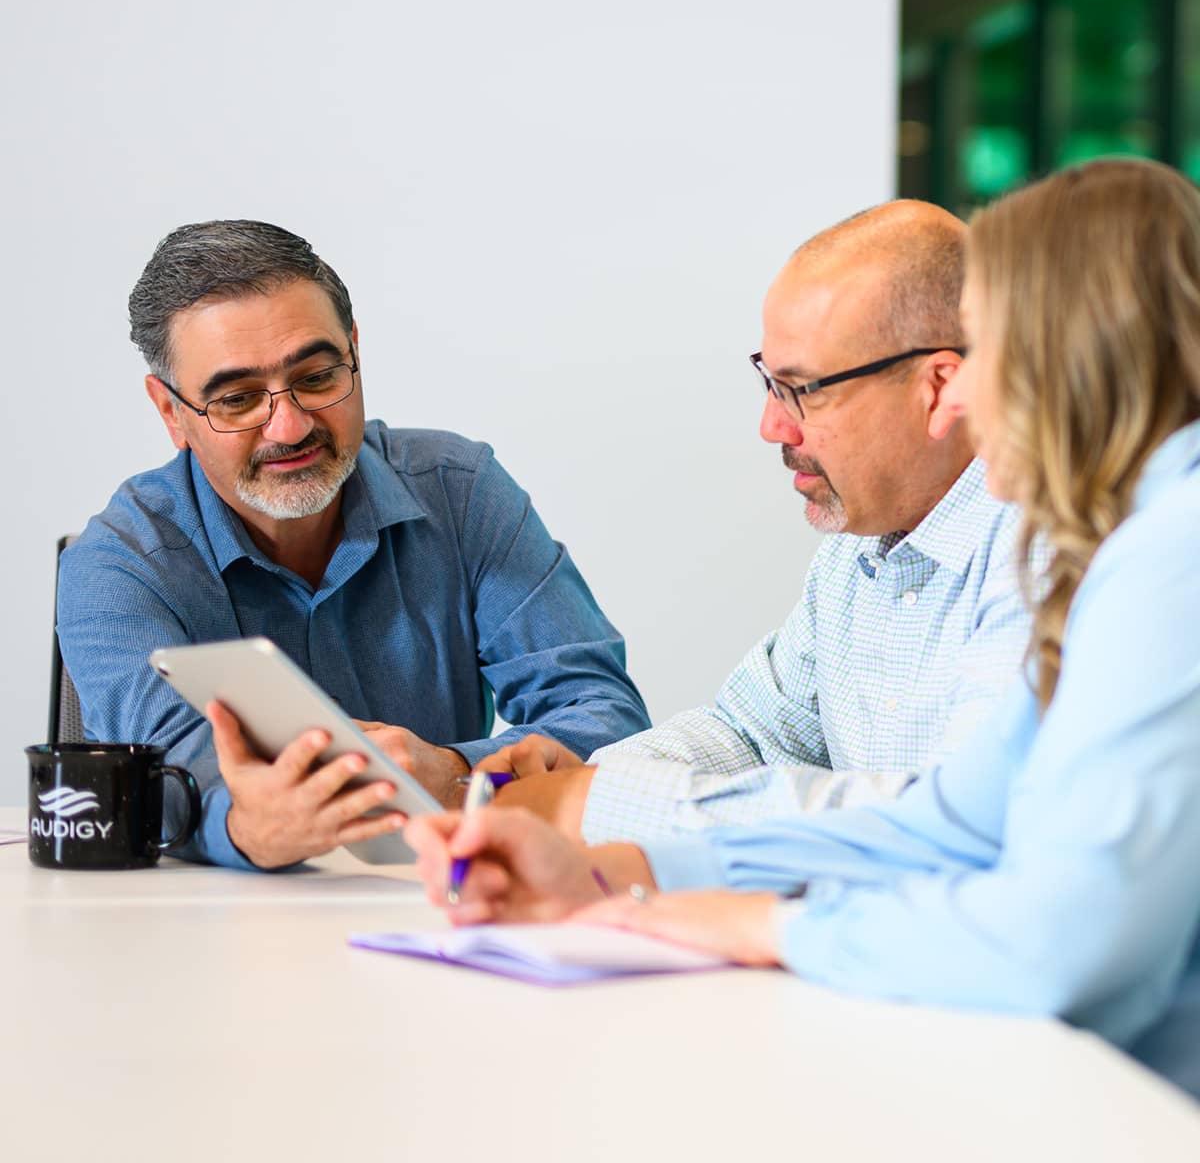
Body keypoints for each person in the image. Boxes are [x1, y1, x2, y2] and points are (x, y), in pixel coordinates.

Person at [408, 158, 1200, 1100]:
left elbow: (1055, 939)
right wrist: (624, 869)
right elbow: (950, 822)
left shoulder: (1166, 552)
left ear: (1068, 356)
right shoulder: (1126, 544)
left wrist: (758, 925)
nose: (958, 405)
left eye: (978, 356)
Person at [57, 220, 650, 870]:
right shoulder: (117, 564)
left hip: (442, 905)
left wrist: (453, 771)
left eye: (315, 376)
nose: (289, 426)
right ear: (171, 412)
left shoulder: (461, 490)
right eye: (238, 399)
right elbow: (165, 785)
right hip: (217, 928)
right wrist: (250, 827)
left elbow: (605, 714)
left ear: (355, 351)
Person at [487, 201, 1030, 842]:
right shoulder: (857, 550)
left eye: (804, 389)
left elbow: (944, 822)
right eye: (770, 383)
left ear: (938, 386)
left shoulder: (1045, 551)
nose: (773, 425)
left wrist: (601, 807)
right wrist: (591, 779)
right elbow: (750, 735)